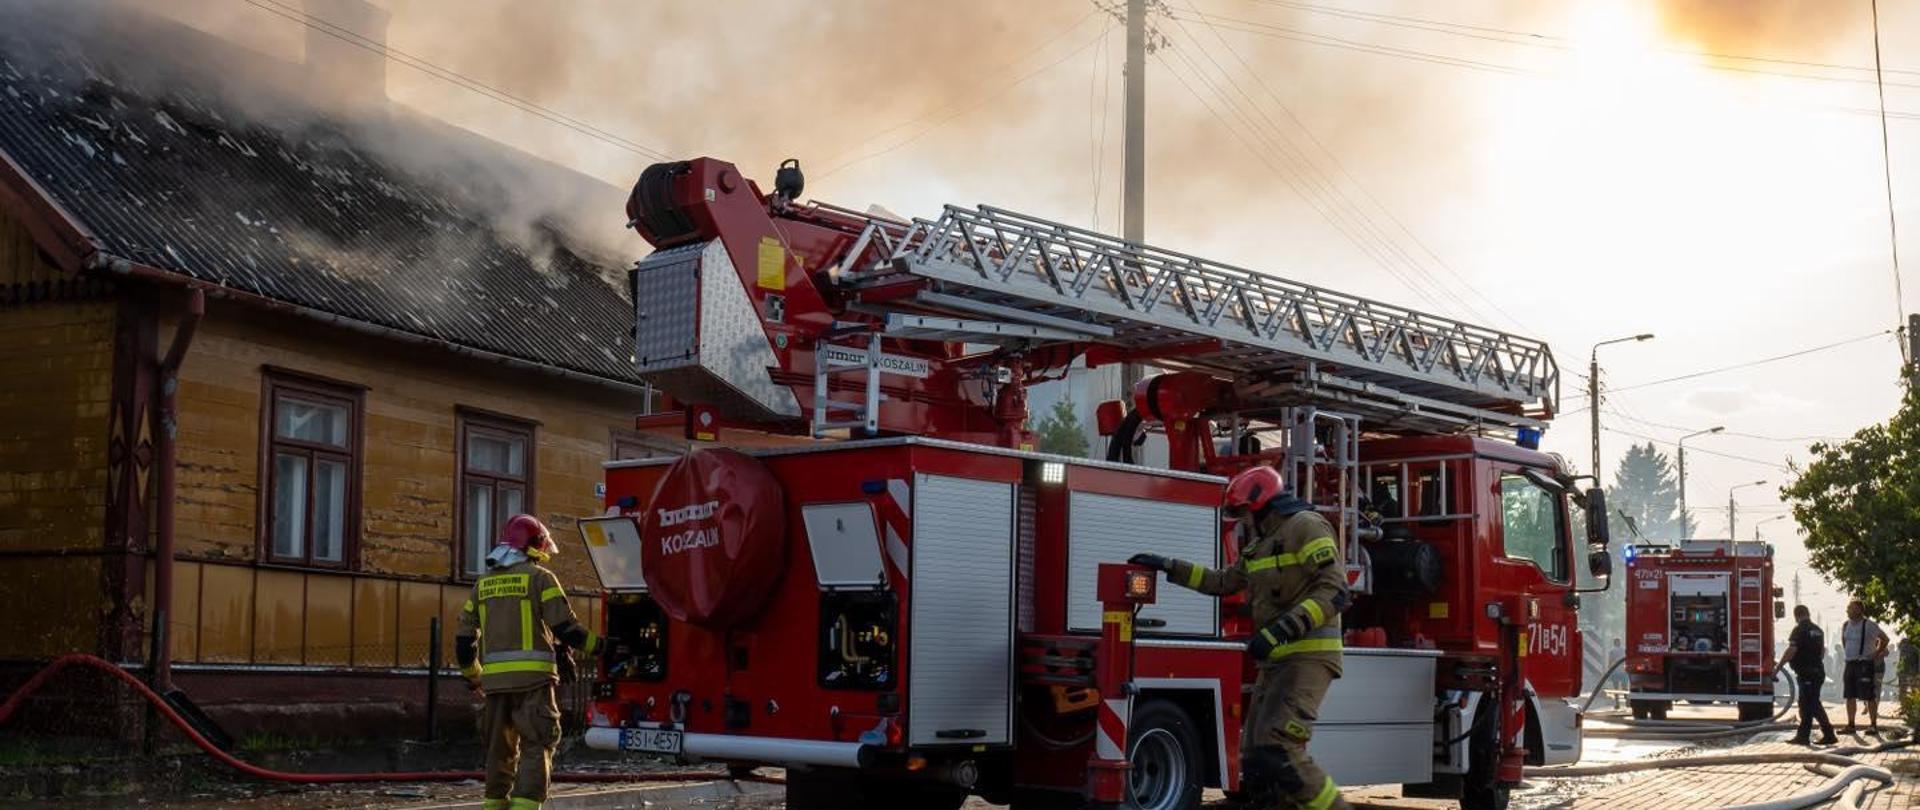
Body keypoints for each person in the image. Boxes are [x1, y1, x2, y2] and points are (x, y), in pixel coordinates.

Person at [1131, 466, 1351, 810]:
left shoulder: (1306, 527)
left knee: (1279, 747)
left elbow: (1335, 590)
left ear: (1262, 504)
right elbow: (1222, 582)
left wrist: (1281, 630)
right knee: (1255, 758)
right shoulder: (1260, 546)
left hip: (1309, 656)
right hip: (1277, 659)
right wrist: (1168, 565)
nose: (1242, 521)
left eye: (1244, 513)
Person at [456, 515, 605, 810]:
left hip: (494, 686)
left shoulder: (482, 585)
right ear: (534, 546)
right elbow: (567, 629)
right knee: (537, 745)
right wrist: (603, 648)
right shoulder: (540, 579)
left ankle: (495, 805)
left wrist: (474, 677)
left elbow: (464, 640)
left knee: (498, 752)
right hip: (534, 682)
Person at [1775, 605, 1837, 746]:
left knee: (1812, 704)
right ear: (1808, 613)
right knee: (1806, 703)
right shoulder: (1818, 630)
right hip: (1817, 671)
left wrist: (1778, 667)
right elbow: (1822, 652)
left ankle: (1827, 734)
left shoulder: (1799, 630)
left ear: (1796, 616)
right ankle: (1804, 736)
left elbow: (1791, 650)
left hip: (1806, 673)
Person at [1839, 599, 1890, 735]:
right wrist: (1850, 654)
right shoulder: (1846, 625)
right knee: (1849, 695)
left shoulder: (1869, 625)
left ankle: (1873, 725)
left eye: (1851, 608)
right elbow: (1844, 642)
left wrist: (1876, 653)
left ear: (1859, 610)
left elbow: (1885, 639)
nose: (1848, 611)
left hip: (1865, 663)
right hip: (1850, 663)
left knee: (1869, 696)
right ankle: (1851, 725)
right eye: (1848, 608)